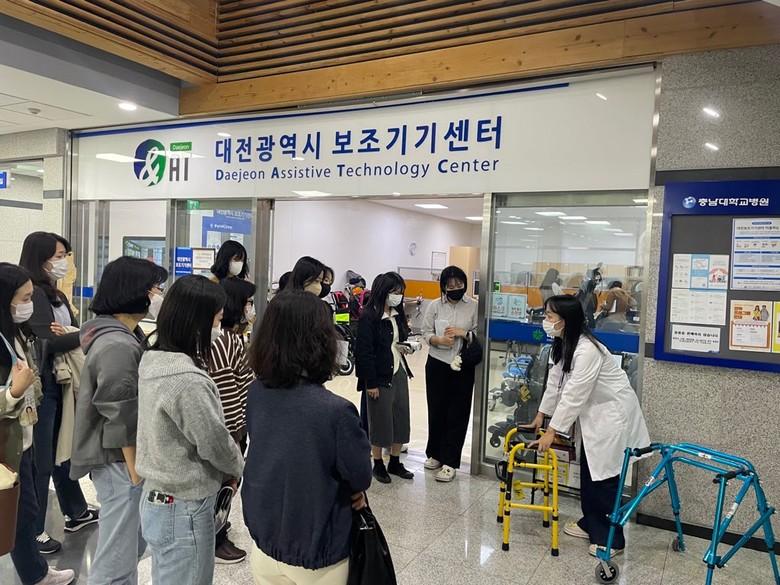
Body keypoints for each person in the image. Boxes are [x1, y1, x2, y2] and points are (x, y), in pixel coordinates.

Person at [244, 290, 371, 585]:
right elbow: (360, 476)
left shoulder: (256, 392)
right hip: (318, 552)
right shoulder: (336, 411)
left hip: (265, 542)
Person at [136, 275, 244, 585]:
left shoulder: (154, 360)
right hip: (184, 505)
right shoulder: (186, 380)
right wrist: (236, 465)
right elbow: (213, 442)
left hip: (157, 496)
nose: (219, 328)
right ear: (197, 322)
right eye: (217, 320)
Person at [70, 256, 168, 585]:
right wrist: (137, 474)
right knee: (116, 558)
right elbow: (121, 416)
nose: (158, 295)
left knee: (127, 547)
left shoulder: (122, 334)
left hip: (122, 460)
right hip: (119, 461)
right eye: (155, 288)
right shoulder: (117, 345)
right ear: (134, 291)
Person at [528, 295, 650, 558]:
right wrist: (541, 414)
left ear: (565, 320)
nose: (545, 321)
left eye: (550, 316)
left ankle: (611, 539)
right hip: (594, 417)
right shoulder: (564, 343)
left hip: (612, 416)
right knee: (590, 470)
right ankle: (591, 522)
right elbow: (555, 382)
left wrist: (552, 431)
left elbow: (574, 393)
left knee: (604, 475)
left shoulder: (588, 350)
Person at [19, 231, 97, 554]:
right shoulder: (35, 295)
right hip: (45, 386)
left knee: (63, 449)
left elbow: (63, 334)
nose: (64, 262)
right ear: (40, 258)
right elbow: (47, 343)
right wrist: (83, 333)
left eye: (66, 255)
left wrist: (71, 333)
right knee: (42, 460)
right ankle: (35, 530)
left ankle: (76, 510)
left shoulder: (57, 295)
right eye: (59, 256)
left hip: (63, 381)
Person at [0, 263, 75, 585]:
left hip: (23, 436)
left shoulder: (16, 332)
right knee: (14, 512)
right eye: (25, 298)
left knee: (25, 511)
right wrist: (14, 392)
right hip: (6, 443)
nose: (29, 305)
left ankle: (36, 572)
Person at [208, 276, 256, 565]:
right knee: (225, 485)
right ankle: (216, 539)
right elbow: (227, 392)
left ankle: (218, 530)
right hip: (230, 426)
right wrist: (236, 435)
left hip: (233, 423)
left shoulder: (232, 338)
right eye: (248, 302)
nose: (251, 308)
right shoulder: (225, 341)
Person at [355, 272, 414, 484]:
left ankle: (395, 461)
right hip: (379, 376)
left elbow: (399, 339)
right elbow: (363, 352)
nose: (397, 296)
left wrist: (406, 346)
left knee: (401, 417)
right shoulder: (369, 316)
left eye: (400, 292)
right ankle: (378, 463)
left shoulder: (397, 314)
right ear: (382, 291)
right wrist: (370, 382)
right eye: (394, 292)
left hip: (399, 371)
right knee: (380, 420)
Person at [422, 266, 478, 482]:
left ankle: (450, 462)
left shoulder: (473, 306)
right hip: (437, 363)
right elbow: (425, 332)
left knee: (458, 413)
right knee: (436, 409)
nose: (455, 288)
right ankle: (435, 454)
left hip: (462, 365)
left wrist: (464, 333)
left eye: (459, 284)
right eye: (450, 285)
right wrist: (438, 340)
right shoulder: (435, 305)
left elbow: (479, 334)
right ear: (444, 286)